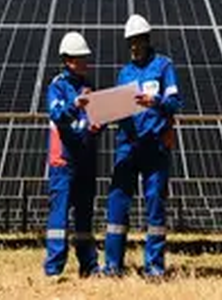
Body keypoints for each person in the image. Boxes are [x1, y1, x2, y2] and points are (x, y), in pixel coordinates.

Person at [103, 14, 183, 278]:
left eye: (138, 41)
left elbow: (174, 102)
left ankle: (155, 268)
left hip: (154, 147)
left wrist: (156, 101)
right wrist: (101, 113)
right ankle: (113, 265)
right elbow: (117, 108)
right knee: (117, 202)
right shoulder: (124, 73)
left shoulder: (163, 67)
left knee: (155, 205)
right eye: (130, 43)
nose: (134, 47)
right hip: (127, 146)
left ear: (147, 40)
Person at [44, 31, 102, 278]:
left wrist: (99, 124)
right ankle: (54, 268)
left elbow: (96, 117)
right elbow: (57, 115)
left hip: (86, 159)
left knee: (84, 216)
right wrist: (75, 105)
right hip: (64, 161)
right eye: (81, 58)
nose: (85, 62)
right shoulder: (57, 87)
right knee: (60, 215)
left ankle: (88, 265)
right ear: (68, 60)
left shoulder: (89, 87)